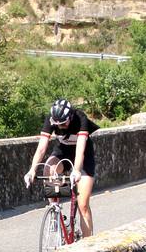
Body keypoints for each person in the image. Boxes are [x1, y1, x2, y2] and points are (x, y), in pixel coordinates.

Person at [23, 98, 98, 237]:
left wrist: (76, 170)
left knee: (83, 206)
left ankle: (89, 244)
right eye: (57, 124)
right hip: (63, 151)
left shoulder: (81, 118)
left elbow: (80, 150)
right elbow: (41, 148)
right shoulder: (51, 119)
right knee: (48, 168)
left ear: (70, 117)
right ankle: (54, 208)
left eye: (63, 123)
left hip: (83, 156)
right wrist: (32, 169)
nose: (61, 127)